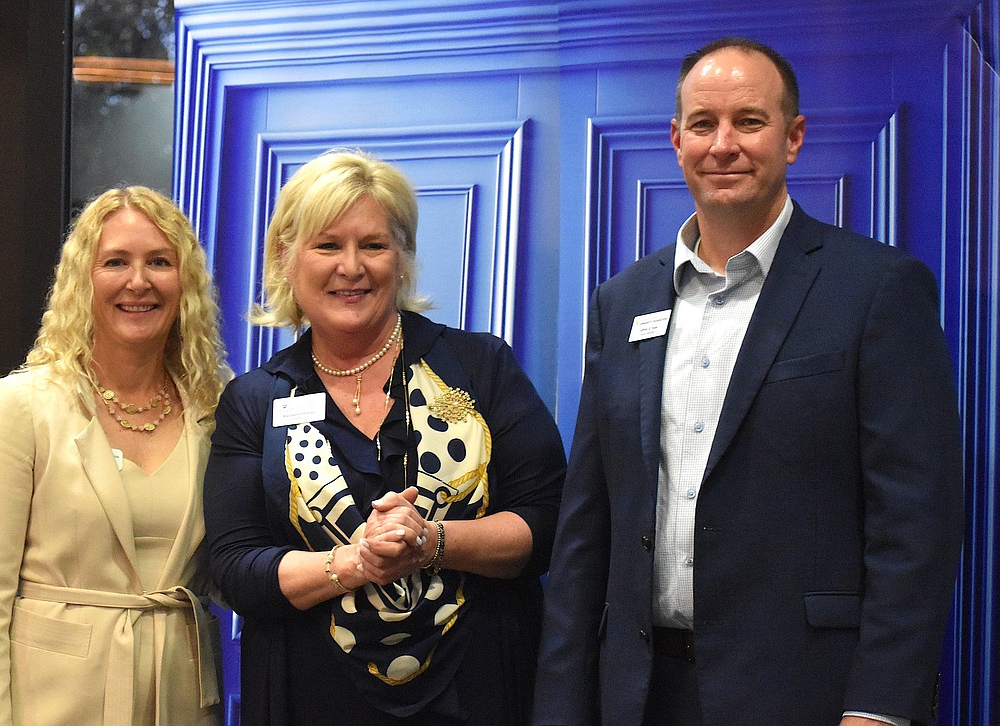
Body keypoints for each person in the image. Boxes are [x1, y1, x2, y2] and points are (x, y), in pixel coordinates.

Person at [533, 37, 963, 726]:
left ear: (793, 138)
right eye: (703, 124)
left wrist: (880, 708)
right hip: (638, 694)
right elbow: (588, 523)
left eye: (750, 122)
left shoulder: (877, 289)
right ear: (676, 141)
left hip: (807, 694)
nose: (723, 144)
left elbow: (916, 525)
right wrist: (559, 706)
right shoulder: (623, 302)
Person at [204, 149, 566, 725]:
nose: (352, 267)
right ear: (285, 257)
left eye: (373, 245)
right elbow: (234, 568)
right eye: (328, 245)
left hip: (480, 691)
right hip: (312, 699)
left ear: (402, 258)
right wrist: (355, 564)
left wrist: (433, 543)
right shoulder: (254, 401)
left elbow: (547, 522)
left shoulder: (480, 366)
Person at [0, 186, 231, 725]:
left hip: (181, 703)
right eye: (115, 262)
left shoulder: (217, 409)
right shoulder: (21, 407)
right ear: (83, 280)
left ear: (186, 284)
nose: (138, 281)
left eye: (159, 262)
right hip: (54, 706)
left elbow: (235, 566)